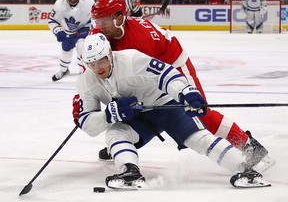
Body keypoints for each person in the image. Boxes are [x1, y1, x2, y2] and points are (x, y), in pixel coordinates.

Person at [72, 0, 273, 172]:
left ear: (119, 17)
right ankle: (120, 144)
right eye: (97, 20)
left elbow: (147, 78)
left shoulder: (140, 41)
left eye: (104, 20)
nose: (99, 25)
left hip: (172, 64)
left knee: (197, 110)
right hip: (150, 67)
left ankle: (249, 145)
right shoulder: (99, 35)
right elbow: (94, 75)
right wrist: (81, 100)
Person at [77, 33, 269, 189]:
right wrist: (108, 115)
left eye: (100, 61)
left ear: (109, 54)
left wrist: (185, 91)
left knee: (197, 138)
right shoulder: (86, 81)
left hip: (164, 104)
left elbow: (166, 74)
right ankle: (130, 171)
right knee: (115, 132)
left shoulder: (131, 59)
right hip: (139, 118)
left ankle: (245, 169)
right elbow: (88, 125)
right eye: (91, 63)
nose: (96, 68)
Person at [48, 0, 94, 81]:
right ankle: (64, 70)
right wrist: (58, 31)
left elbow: (96, 17)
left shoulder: (89, 3)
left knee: (82, 46)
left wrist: (93, 28)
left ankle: (84, 72)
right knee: (65, 50)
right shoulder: (59, 4)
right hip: (68, 31)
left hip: (84, 29)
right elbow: (53, 20)